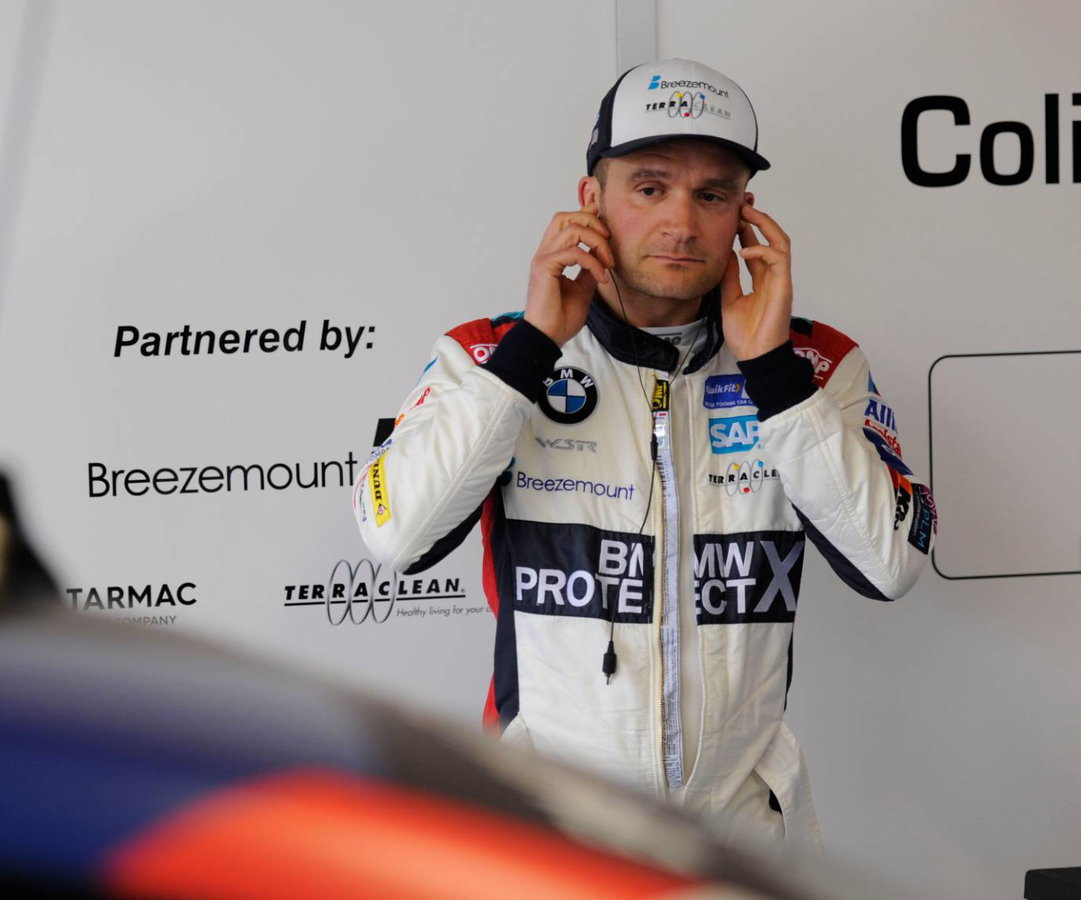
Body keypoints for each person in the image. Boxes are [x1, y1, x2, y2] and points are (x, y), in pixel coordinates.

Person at [352, 58, 934, 854]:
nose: (681, 224)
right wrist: (532, 350)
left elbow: (891, 564)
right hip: (551, 836)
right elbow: (396, 536)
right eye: (650, 187)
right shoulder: (486, 355)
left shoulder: (818, 366)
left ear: (746, 214)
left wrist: (771, 373)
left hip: (740, 843)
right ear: (590, 200)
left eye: (712, 195)